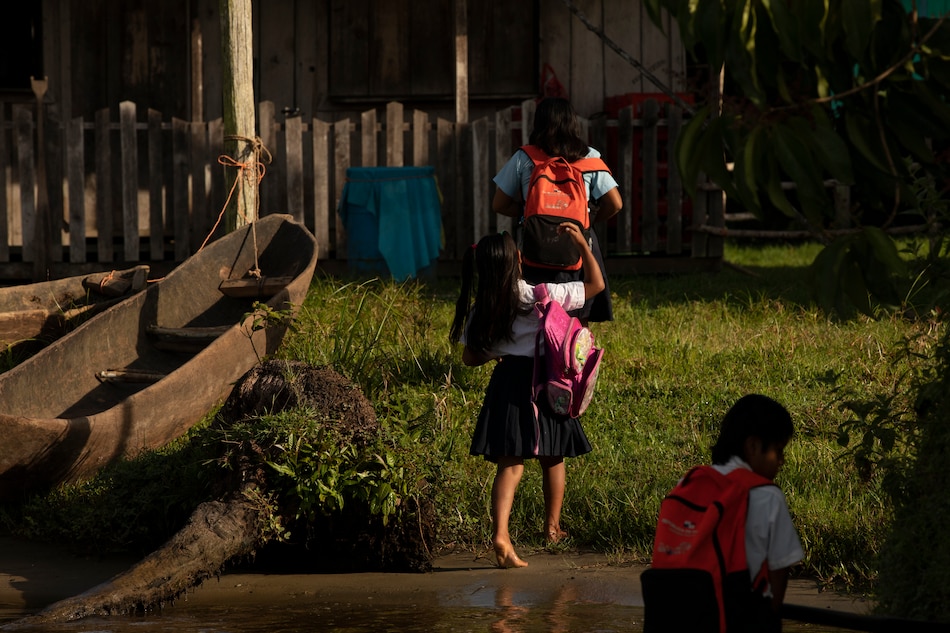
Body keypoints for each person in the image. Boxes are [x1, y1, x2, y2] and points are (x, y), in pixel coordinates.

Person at [449, 225, 604, 569]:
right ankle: (553, 527)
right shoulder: (539, 293)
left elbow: (470, 357)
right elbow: (596, 285)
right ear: (518, 260)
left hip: (507, 384)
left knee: (511, 463)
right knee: (554, 454)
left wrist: (498, 352)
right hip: (546, 382)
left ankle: (501, 534)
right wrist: (581, 243)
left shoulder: (484, 306)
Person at [642, 394, 804, 632]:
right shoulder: (767, 495)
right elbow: (779, 572)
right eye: (779, 450)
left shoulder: (687, 483)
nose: (781, 461)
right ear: (753, 446)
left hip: (679, 616)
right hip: (736, 618)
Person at [491, 97, 622, 323]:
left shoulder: (525, 157)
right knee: (578, 312)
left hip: (536, 246)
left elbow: (499, 204)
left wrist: (527, 212)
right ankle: (574, 352)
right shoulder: (589, 157)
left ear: (538, 124)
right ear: (573, 124)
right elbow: (615, 203)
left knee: (536, 313)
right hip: (578, 244)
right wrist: (590, 218)